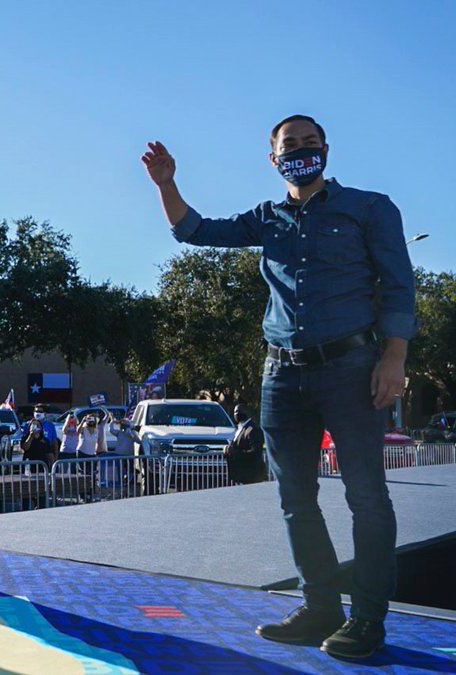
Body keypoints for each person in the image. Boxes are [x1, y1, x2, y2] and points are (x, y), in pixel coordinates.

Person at [142, 115, 415, 659]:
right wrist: (167, 185)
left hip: (352, 368)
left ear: (326, 150)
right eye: (289, 146)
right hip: (281, 374)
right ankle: (320, 607)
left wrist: (393, 358)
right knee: (295, 498)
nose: (300, 152)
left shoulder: (369, 207)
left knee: (366, 496)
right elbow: (194, 232)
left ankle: (367, 618)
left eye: (310, 143)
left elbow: (399, 285)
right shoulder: (266, 219)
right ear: (274, 159)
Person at [226, 404, 267, 485]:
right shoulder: (240, 429)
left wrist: (235, 452)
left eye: (239, 411)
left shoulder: (253, 429)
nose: (236, 414)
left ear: (246, 412)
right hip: (241, 476)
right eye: (235, 412)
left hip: (252, 477)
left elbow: (256, 452)